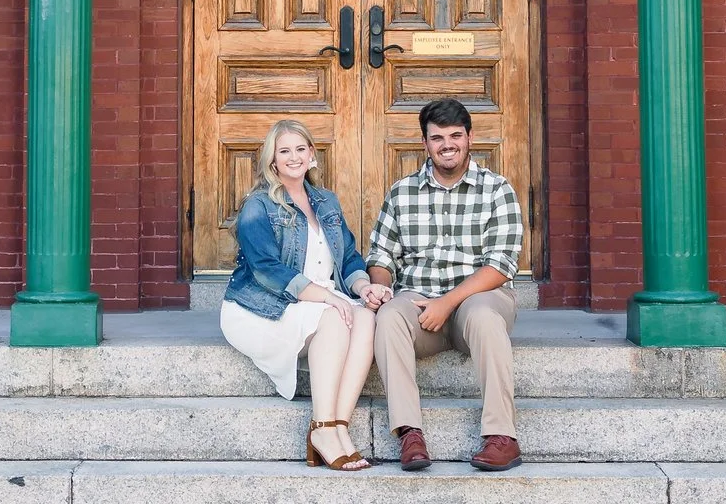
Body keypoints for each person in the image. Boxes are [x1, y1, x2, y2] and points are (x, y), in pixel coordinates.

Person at [366, 97, 527, 472]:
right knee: (389, 316)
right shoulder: (402, 192)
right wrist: (382, 286)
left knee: (483, 315)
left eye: (455, 135)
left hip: (480, 297)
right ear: (425, 143)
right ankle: (409, 433)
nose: (447, 144)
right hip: (420, 302)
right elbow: (381, 256)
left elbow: (501, 265)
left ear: (470, 138)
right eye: (437, 137)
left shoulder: (496, 189)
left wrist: (448, 302)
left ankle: (502, 436)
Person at [220, 118, 382, 469]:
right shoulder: (258, 205)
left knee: (366, 318)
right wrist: (328, 297)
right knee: (335, 317)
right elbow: (266, 270)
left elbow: (348, 257)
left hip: (317, 300)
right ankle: (322, 428)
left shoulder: (326, 201)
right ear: (272, 160)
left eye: (300, 149)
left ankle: (337, 426)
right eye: (284, 151)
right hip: (262, 306)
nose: (293, 157)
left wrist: (363, 286)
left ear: (311, 154)